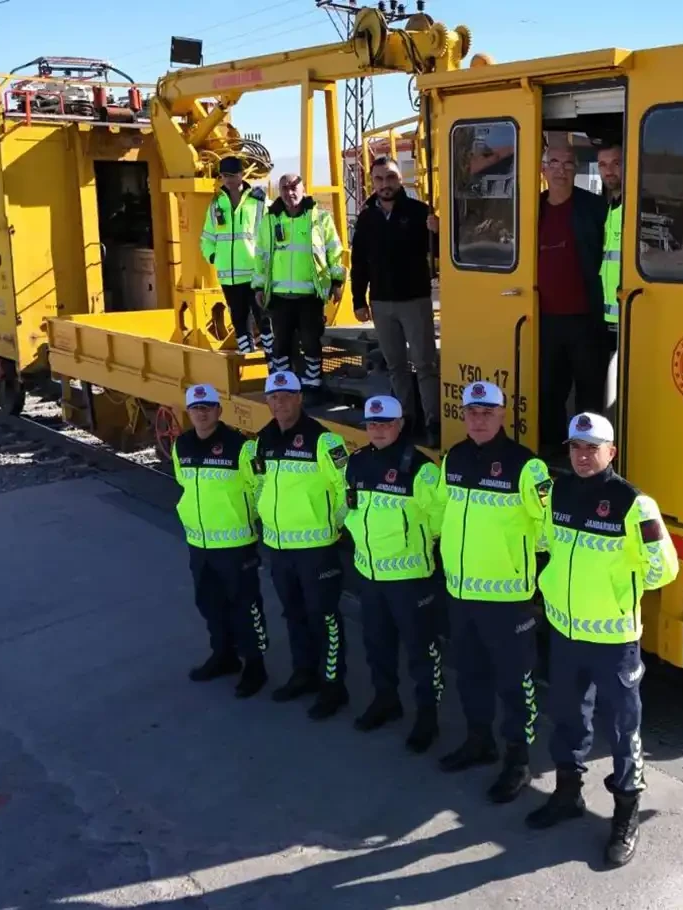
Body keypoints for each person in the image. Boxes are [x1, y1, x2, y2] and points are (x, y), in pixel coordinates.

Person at [523, 412, 679, 867]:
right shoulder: (558, 493)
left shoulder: (634, 504)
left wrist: (618, 591)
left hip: (613, 639)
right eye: (576, 447)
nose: (583, 455)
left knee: (622, 729)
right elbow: (547, 541)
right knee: (567, 717)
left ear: (611, 452)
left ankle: (625, 815)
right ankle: (568, 795)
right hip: (566, 631)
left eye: (593, 448)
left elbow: (662, 569)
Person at [434, 380, 552, 803]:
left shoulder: (526, 466)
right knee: (470, 672)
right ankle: (478, 740)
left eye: (487, 412)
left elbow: (547, 530)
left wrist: (527, 576)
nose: (479, 419)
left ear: (503, 415)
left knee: (515, 682)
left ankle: (518, 761)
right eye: (472, 412)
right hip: (462, 592)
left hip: (507, 599)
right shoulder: (455, 458)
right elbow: (444, 514)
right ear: (463, 415)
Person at [343, 394, 445, 752]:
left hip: (409, 579)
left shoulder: (421, 469)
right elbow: (352, 509)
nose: (378, 430)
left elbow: (439, 522)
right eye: (372, 424)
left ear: (401, 425)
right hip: (370, 575)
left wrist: (410, 549)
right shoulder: (355, 463)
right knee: (376, 645)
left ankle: (427, 717)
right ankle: (386, 700)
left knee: (421, 652)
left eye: (386, 423)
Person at [251, 370, 353, 718]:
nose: (280, 403)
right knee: (293, 614)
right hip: (278, 548)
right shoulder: (262, 440)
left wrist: (334, 525)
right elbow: (259, 485)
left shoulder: (324, 442)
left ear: (299, 398)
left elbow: (347, 490)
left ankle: (333, 687)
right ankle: (304, 674)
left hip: (316, 549)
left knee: (324, 618)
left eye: (286, 396)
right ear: (268, 401)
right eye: (273, 397)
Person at [170, 382, 270, 697]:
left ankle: (255, 665)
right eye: (195, 408)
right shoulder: (181, 445)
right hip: (199, 544)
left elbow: (261, 487)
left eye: (207, 407)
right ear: (189, 412)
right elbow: (183, 485)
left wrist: (244, 518)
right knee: (210, 603)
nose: (201, 413)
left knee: (246, 606)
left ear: (219, 410)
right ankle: (224, 655)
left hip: (236, 544)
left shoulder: (240, 446)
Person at [351, 156, 443, 447]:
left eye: (390, 178)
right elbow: (359, 262)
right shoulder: (367, 217)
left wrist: (438, 233)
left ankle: (433, 422)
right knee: (396, 366)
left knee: (425, 364)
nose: (384, 184)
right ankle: (407, 419)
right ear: (372, 181)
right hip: (381, 302)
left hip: (414, 300)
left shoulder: (419, 212)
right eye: (379, 179)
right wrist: (358, 299)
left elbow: (439, 256)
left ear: (400, 179)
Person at [537, 141, 608, 455]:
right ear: (544, 168)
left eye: (567, 163)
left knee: (589, 392)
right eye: (554, 162)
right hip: (544, 320)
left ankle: (587, 452)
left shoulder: (594, 208)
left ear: (576, 168)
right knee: (549, 390)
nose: (560, 169)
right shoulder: (531, 209)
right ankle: (552, 453)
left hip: (586, 319)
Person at [253, 174, 346, 402]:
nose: (289, 192)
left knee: (311, 340)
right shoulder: (270, 220)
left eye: (294, 187)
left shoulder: (320, 218)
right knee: (281, 342)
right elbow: (261, 256)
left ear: (304, 189)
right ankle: (284, 383)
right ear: (279, 191)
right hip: (280, 295)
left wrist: (336, 282)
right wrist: (258, 286)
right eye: (284, 188)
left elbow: (335, 252)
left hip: (310, 295)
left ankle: (312, 385)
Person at [200, 156, 267, 356]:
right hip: (229, 276)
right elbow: (207, 237)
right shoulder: (216, 204)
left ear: (241, 175)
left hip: (254, 274)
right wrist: (213, 257)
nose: (228, 180)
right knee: (239, 320)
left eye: (232, 175)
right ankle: (246, 357)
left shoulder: (258, 202)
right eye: (224, 176)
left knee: (264, 319)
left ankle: (274, 361)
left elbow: (268, 234)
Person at [596, 142, 623, 412]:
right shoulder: (603, 207)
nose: (609, 171)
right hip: (604, 316)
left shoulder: (636, 207)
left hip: (629, 316)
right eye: (603, 165)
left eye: (615, 163)